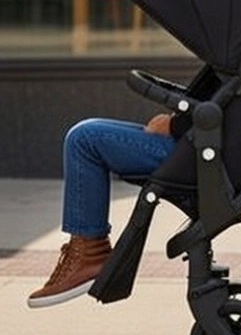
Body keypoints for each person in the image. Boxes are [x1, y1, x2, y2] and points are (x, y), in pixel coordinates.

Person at [27, 113, 179, 308]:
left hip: (198, 146)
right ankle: (90, 249)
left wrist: (177, 124)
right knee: (90, 127)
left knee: (83, 139)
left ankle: (90, 252)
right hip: (199, 141)